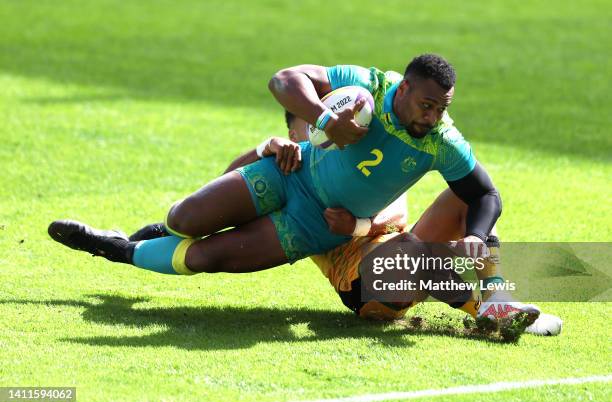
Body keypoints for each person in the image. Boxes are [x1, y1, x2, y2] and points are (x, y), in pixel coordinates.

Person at [49, 54, 534, 325]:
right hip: (313, 210)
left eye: (441, 108)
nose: (434, 118)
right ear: (403, 91)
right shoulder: (322, 127)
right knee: (183, 220)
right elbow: (283, 81)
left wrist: (480, 234)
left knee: (201, 258)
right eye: (427, 106)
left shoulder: (437, 142)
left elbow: (480, 195)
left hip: (329, 236)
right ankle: (484, 298)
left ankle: (115, 247)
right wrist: (280, 143)